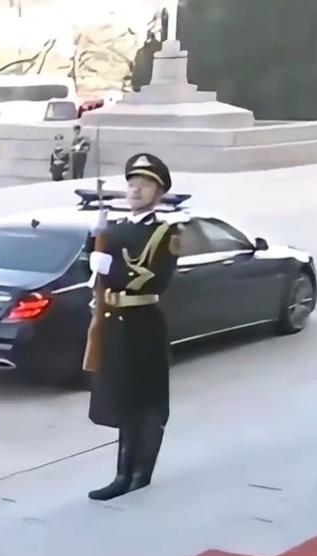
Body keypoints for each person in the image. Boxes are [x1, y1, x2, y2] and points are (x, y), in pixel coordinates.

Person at [84, 153, 181, 501]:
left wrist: (108, 266)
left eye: (145, 185)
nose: (136, 190)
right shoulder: (116, 229)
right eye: (132, 184)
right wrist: (93, 243)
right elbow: (93, 273)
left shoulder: (166, 233)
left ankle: (140, 473)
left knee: (146, 400)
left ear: (159, 192)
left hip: (144, 323)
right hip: (115, 323)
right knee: (123, 399)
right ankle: (121, 474)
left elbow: (153, 278)